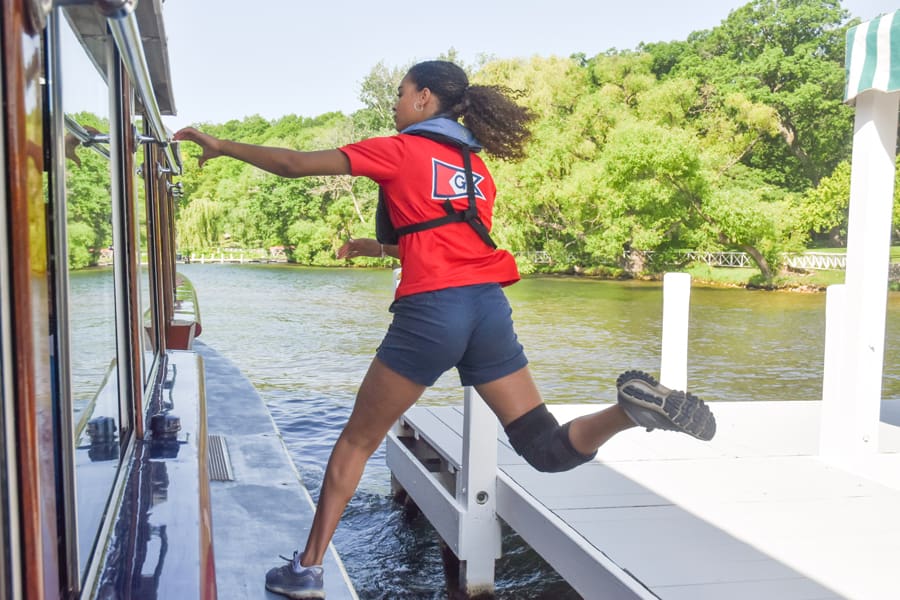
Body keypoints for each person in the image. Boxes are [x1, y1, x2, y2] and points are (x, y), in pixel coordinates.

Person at [174, 60, 716, 600]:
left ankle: (307, 569)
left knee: (357, 440)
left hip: (433, 309)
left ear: (424, 98)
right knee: (542, 447)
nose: (395, 103)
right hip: (487, 309)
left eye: (401, 93)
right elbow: (446, 233)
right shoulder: (477, 171)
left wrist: (223, 146)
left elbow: (294, 163)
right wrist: (377, 246)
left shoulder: (400, 147)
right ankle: (628, 411)